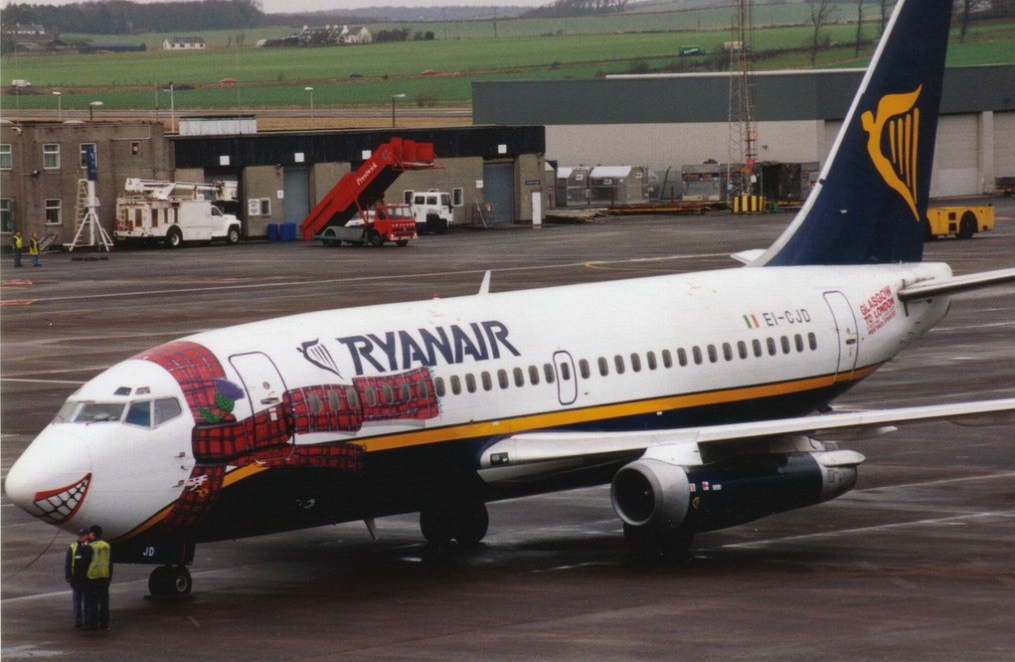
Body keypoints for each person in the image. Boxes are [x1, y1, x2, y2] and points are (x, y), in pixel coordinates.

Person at [84, 525, 113, 630]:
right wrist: (109, 576)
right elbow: (110, 563)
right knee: (104, 602)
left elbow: (86, 563)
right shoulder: (107, 546)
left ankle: (93, 624)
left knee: (93, 602)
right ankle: (104, 623)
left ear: (93, 534)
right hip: (104, 577)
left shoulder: (91, 546)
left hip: (93, 577)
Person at [64, 528, 92, 628]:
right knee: (77, 600)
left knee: (87, 601)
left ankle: (87, 620)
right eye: (81, 535)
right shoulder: (73, 547)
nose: (82, 537)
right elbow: (68, 562)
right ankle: (78, 621)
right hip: (76, 578)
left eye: (83, 535)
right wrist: (68, 575)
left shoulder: (90, 547)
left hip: (87, 578)